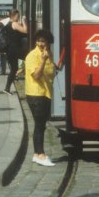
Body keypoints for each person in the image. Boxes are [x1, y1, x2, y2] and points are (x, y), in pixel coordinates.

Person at [25, 30, 59, 167]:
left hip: (46, 93)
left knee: (42, 125)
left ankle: (36, 154)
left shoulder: (48, 55)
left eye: (43, 41)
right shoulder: (32, 56)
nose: (40, 43)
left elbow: (51, 73)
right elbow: (37, 76)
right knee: (39, 124)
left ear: (48, 43)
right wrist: (44, 61)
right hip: (35, 93)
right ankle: (40, 154)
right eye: (38, 41)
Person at [3, 9, 29, 95]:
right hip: (15, 49)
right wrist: (24, 22)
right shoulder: (14, 24)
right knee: (29, 58)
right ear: (13, 16)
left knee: (14, 69)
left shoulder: (8, 24)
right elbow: (25, 31)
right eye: (18, 16)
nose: (18, 17)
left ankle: (7, 88)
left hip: (10, 50)